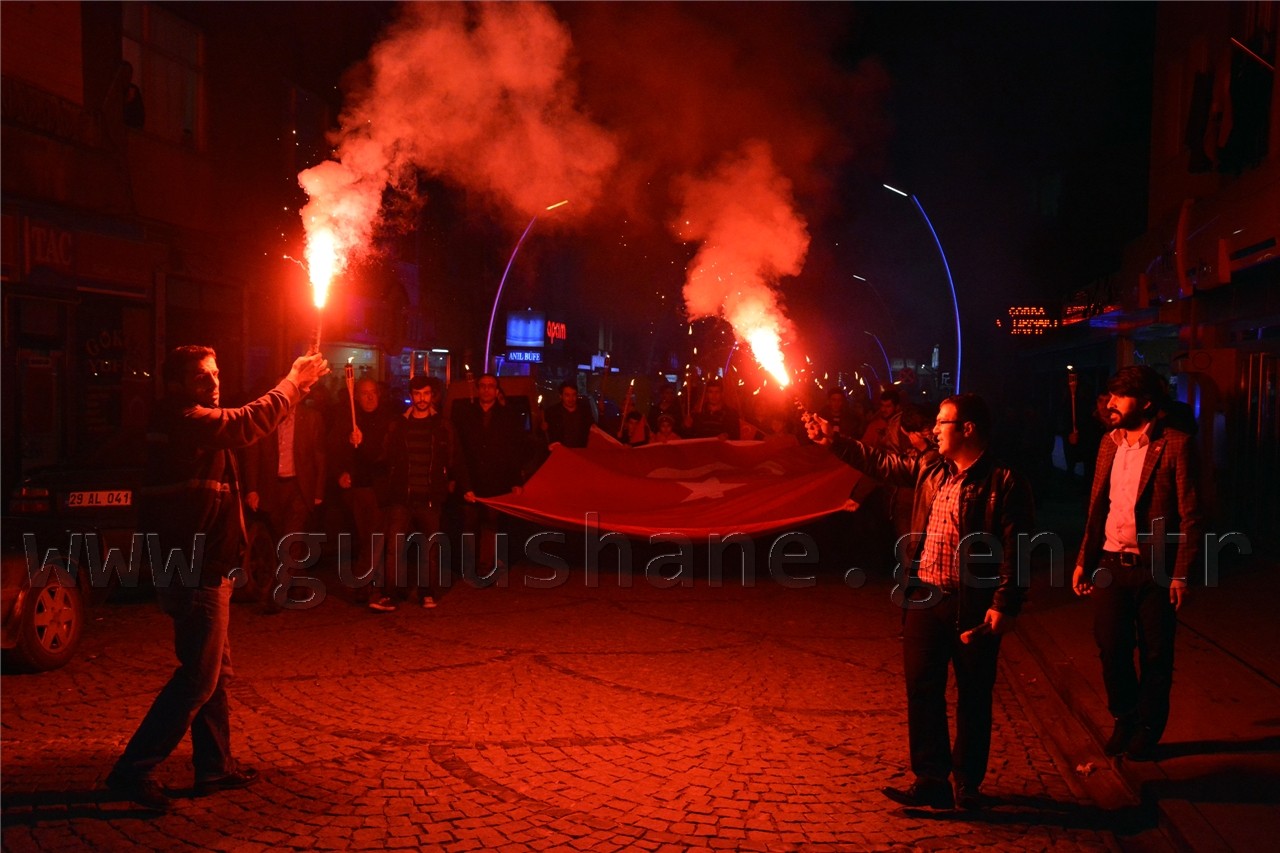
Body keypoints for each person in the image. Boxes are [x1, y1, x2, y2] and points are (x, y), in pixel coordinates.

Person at [106, 346, 329, 812]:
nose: (212, 384)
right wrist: (291, 382)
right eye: (199, 378)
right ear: (175, 386)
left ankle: (214, 767)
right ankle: (133, 770)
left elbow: (235, 435)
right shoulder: (182, 419)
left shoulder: (190, 419)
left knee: (214, 673)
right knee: (198, 679)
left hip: (207, 564)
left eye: (215, 374)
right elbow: (244, 424)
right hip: (193, 566)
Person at [812, 393, 1033, 810]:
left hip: (972, 603)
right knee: (923, 691)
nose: (933, 430)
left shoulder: (1005, 482)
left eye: (942, 422)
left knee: (973, 694)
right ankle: (931, 779)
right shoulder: (931, 468)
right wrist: (835, 440)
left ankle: (968, 783)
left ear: (967, 429)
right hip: (924, 597)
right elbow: (883, 464)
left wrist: (1005, 602)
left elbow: (1018, 547)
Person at [1072, 365, 1202, 761]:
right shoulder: (1109, 443)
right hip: (1110, 562)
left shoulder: (1176, 444)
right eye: (1110, 395)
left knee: (1156, 654)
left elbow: (1191, 513)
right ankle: (1124, 719)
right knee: (1111, 647)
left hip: (1155, 567)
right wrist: (1084, 559)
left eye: (1120, 396)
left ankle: (1147, 729)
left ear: (1145, 403)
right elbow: (1097, 507)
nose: (1111, 403)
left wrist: (1181, 573)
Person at [242, 396, 326, 612]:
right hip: (273, 486)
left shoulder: (312, 418)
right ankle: (298, 585)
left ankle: (277, 595)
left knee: (291, 538)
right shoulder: (267, 419)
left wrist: (318, 490)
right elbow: (254, 453)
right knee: (283, 538)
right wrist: (252, 488)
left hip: (299, 486)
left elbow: (319, 454)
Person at [383, 376, 460, 610]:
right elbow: (385, 454)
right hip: (402, 497)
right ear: (411, 395)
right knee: (394, 549)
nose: (422, 398)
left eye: (426, 394)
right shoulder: (399, 424)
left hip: (429, 497)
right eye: (417, 394)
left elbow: (453, 457)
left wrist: (451, 482)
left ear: (432, 396)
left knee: (429, 549)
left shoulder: (442, 425)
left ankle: (427, 592)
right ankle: (391, 595)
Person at [330, 378, 397, 609]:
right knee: (366, 536)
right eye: (364, 393)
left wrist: (364, 442)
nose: (369, 397)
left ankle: (364, 583)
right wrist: (341, 471)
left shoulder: (388, 420)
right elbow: (334, 449)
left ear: (379, 395)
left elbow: (384, 455)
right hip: (356, 489)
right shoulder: (347, 419)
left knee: (376, 536)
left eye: (373, 393)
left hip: (379, 489)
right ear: (355, 397)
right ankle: (371, 585)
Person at [453, 374, 527, 577]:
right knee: (469, 522)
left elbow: (514, 451)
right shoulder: (466, 415)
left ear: (496, 390)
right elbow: (459, 450)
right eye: (483, 386)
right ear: (478, 389)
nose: (486, 389)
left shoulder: (507, 416)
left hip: (497, 480)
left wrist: (515, 481)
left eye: (490, 386)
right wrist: (461, 481)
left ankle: (485, 565)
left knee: (490, 522)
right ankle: (468, 562)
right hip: (471, 478)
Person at [543, 380, 595, 448]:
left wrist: (601, 413)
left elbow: (594, 430)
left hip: (580, 453)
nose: (571, 399)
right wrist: (542, 428)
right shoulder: (552, 412)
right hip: (561, 454)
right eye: (567, 395)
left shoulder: (584, 412)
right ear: (561, 396)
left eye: (574, 395)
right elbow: (543, 436)